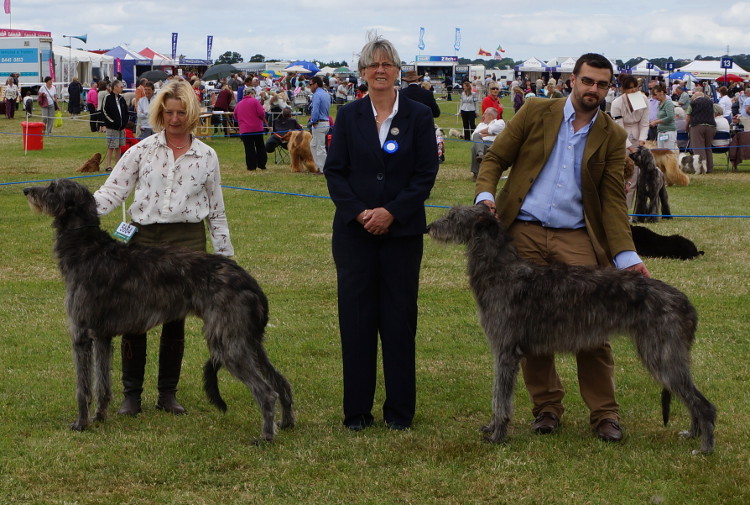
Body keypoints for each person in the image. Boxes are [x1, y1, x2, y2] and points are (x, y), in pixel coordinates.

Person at [474, 53, 650, 443]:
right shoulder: (536, 111)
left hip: (575, 236)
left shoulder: (612, 135)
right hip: (522, 231)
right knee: (529, 326)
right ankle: (547, 408)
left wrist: (627, 257)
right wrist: (485, 195)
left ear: (609, 89)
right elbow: (496, 157)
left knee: (593, 324)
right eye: (588, 81)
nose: (594, 90)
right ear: (573, 79)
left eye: (602, 85)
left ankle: (604, 413)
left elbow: (612, 203)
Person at [92, 79, 234, 417]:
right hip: (141, 239)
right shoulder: (141, 150)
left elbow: (216, 210)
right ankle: (131, 395)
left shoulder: (207, 157)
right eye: (168, 112)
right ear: (159, 113)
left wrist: (226, 258)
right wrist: (79, 212)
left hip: (187, 242)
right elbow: (113, 191)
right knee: (134, 317)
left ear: (192, 113)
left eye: (181, 112)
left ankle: (167, 393)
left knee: (175, 319)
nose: (174, 118)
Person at [324, 34, 439, 432]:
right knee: (356, 321)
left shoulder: (419, 116)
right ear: (362, 72)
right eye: (373, 65)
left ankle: (400, 411)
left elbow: (426, 174)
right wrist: (360, 214)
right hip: (354, 237)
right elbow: (335, 173)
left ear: (398, 71)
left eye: (387, 64)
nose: (380, 70)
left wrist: (391, 212)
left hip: (401, 236)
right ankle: (356, 411)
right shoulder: (348, 115)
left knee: (399, 320)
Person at [610, 74, 650, 210]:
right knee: (624, 177)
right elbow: (619, 129)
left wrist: (642, 142)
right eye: (630, 88)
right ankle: (619, 210)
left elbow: (645, 123)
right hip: (621, 141)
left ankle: (632, 212)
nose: (634, 91)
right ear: (623, 90)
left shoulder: (644, 99)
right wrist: (631, 150)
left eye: (636, 87)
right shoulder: (616, 104)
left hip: (638, 140)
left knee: (635, 179)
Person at [233, 87, 267, 171]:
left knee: (249, 148)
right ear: (251, 94)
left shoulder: (239, 104)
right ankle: (261, 164)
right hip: (257, 128)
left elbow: (235, 115)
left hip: (245, 129)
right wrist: (262, 118)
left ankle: (251, 166)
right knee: (260, 146)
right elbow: (261, 113)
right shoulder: (255, 101)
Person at [469, 107, 505, 180]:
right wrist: (490, 134)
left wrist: (482, 134)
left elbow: (491, 129)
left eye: (484, 114)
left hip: (493, 144)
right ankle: (480, 155)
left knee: (475, 145)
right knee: (475, 144)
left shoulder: (499, 122)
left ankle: (476, 173)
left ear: (490, 115)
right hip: (481, 144)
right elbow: (473, 136)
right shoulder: (481, 124)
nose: (483, 116)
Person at [686, 91, 717, 173]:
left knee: (698, 148)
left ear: (694, 97)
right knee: (708, 148)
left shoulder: (693, 103)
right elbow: (713, 115)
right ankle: (709, 168)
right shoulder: (710, 102)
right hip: (711, 126)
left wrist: (686, 127)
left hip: (697, 126)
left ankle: (702, 169)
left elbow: (688, 116)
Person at [101, 79, 129, 171]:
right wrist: (112, 122)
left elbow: (125, 112)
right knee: (111, 146)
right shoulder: (107, 97)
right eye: (121, 87)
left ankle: (117, 165)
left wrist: (124, 122)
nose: (122, 88)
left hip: (121, 128)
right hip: (112, 127)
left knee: (119, 146)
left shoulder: (121, 98)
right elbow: (104, 111)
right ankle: (108, 165)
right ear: (115, 87)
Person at [309, 75, 331, 173]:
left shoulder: (317, 95)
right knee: (313, 145)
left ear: (316, 84)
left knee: (320, 147)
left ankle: (323, 169)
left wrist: (313, 121)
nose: (309, 87)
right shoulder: (326, 93)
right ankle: (319, 166)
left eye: (310, 84)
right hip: (326, 122)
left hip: (319, 123)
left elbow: (315, 110)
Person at [650, 83, 676, 151]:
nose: (655, 97)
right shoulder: (659, 103)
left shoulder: (668, 103)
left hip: (668, 132)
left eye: (656, 95)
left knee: (668, 153)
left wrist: (656, 122)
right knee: (660, 153)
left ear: (661, 92)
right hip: (661, 132)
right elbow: (661, 117)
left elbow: (670, 117)